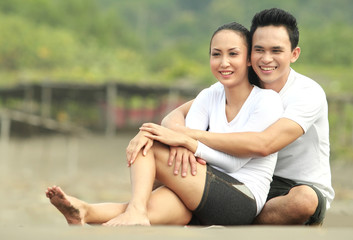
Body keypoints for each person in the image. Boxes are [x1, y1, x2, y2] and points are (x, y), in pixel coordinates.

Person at [46, 22, 283, 226]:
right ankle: (85, 212)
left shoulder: (266, 100)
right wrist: (182, 144)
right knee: (163, 204)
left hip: (240, 200)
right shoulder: (209, 95)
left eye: (233, 54)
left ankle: (136, 210)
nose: (223, 62)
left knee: (149, 143)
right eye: (216, 54)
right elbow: (183, 135)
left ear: (250, 59)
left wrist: (186, 143)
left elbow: (232, 162)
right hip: (201, 189)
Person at [154, 8, 334, 225]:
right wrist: (182, 144)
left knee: (303, 201)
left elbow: (264, 144)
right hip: (243, 178)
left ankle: (221, 219)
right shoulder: (244, 83)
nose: (266, 59)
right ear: (249, 54)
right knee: (170, 163)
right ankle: (171, 213)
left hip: (292, 186)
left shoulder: (307, 93)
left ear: (293, 54)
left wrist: (189, 138)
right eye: (259, 50)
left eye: (276, 50)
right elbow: (174, 116)